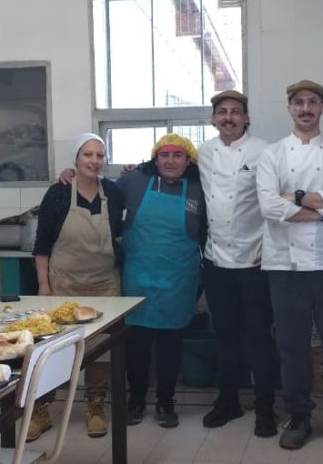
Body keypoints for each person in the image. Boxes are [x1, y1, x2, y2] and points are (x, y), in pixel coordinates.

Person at [256, 79, 323, 453]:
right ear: (290, 108)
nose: (305, 108)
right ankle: (298, 415)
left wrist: (296, 198)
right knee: (291, 345)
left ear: (322, 107)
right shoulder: (272, 155)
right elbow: (269, 206)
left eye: (312, 102)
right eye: (298, 102)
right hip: (284, 264)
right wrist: (322, 210)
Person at [32, 132, 124, 440]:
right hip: (64, 284)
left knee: (100, 350)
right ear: (76, 158)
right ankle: (41, 409)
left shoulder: (114, 192)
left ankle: (96, 406)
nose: (94, 161)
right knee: (53, 349)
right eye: (87, 154)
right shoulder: (58, 193)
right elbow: (42, 245)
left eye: (99, 155)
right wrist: (43, 285)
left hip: (104, 285)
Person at [198, 90, 279, 438]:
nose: (228, 117)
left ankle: (265, 407)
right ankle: (228, 400)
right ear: (213, 119)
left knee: (260, 337)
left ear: (246, 118)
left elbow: (277, 202)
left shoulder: (265, 151)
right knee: (225, 335)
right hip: (216, 260)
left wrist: (270, 247)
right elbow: (165, 166)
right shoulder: (203, 152)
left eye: (235, 111)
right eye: (222, 112)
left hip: (255, 261)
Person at [117, 133, 207, 428]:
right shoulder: (134, 182)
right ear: (155, 159)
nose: (170, 161)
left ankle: (166, 403)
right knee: (137, 347)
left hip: (178, 281)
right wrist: (71, 175)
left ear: (188, 160)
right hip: (137, 281)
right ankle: (136, 401)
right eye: (164, 155)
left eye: (177, 155)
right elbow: (99, 191)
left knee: (171, 347)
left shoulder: (199, 188)